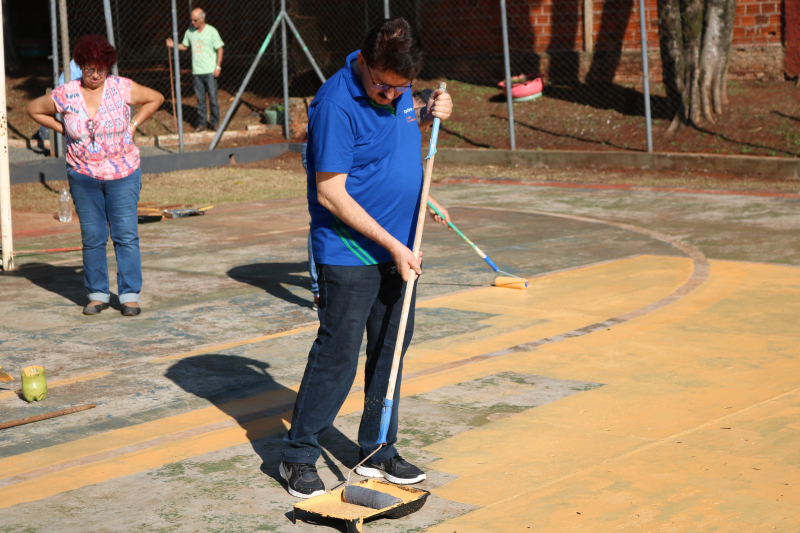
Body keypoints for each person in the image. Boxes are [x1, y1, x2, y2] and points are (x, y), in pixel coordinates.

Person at [280, 18, 453, 499]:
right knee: (337, 357)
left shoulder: (399, 94)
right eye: (381, 85)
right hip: (350, 251)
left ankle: (379, 450)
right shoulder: (335, 104)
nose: (389, 95)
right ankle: (298, 456)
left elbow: (391, 151)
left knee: (391, 351)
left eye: (401, 88)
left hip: (400, 247)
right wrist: (395, 246)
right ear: (363, 60)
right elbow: (331, 192)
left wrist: (433, 111)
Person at [27, 35, 164, 316]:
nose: (95, 74)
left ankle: (129, 296)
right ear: (81, 65)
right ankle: (97, 294)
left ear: (108, 67)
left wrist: (135, 123)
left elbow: (155, 98)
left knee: (125, 235)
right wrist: (63, 128)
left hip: (123, 173)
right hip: (83, 174)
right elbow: (33, 109)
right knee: (93, 236)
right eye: (89, 68)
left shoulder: (121, 87)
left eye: (100, 69)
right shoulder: (66, 93)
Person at [166, 8, 224, 132]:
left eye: (195, 20)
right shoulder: (190, 32)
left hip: (210, 71)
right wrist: (173, 45)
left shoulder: (212, 31)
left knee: (213, 98)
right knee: (200, 99)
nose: (192, 22)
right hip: (196, 72)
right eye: (191, 19)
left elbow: (220, 48)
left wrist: (218, 66)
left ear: (202, 19)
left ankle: (214, 123)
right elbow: (184, 46)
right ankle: (201, 124)